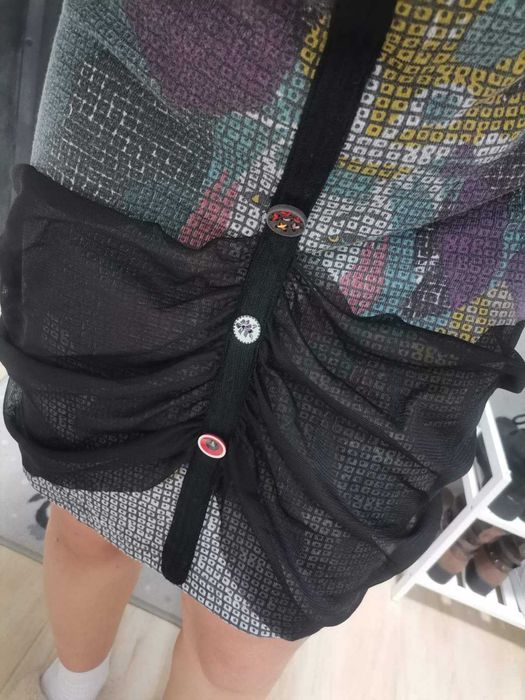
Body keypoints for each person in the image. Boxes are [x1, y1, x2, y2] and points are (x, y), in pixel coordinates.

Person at [2, 1, 525, 698]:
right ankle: (72, 683)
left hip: (461, 199)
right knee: (85, 504)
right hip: (156, 103)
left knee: (259, 610)